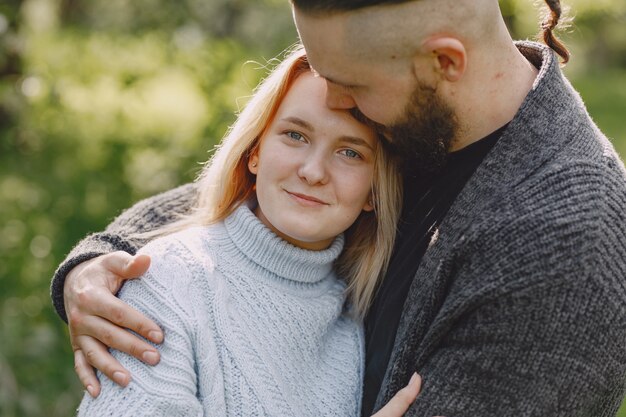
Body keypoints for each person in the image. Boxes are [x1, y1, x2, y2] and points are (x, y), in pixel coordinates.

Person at [52, 0, 626, 416]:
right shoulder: (422, 113)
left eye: (348, 83)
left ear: (444, 63)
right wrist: (98, 261)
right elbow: (247, 200)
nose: (334, 102)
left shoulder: (564, 247)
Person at [75, 45, 425, 416]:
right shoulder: (168, 278)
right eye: (295, 135)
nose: (313, 171)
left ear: (374, 191)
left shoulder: (357, 318)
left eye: (350, 153)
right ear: (254, 152)